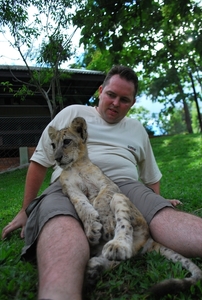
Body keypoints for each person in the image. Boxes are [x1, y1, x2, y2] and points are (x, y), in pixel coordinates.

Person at [2, 65, 202, 300]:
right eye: (111, 95)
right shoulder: (73, 113)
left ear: (133, 103)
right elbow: (39, 162)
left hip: (124, 185)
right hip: (67, 184)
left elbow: (151, 177)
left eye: (124, 99)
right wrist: (26, 210)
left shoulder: (137, 129)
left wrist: (155, 203)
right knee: (60, 225)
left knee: (166, 218)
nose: (116, 103)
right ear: (100, 91)